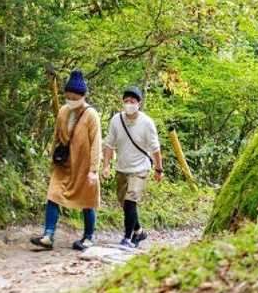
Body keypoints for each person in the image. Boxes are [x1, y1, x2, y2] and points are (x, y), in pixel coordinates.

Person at [30, 70, 102, 251]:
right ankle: (48, 235)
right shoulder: (63, 111)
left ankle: (88, 237)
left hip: (84, 166)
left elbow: (96, 143)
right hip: (64, 163)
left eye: (74, 97)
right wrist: (52, 158)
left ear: (83, 96)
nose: (71, 100)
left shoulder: (91, 115)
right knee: (53, 194)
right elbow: (57, 136)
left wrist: (93, 170)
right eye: (68, 96)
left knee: (87, 200)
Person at [102, 85, 163, 248]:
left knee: (130, 202)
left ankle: (127, 238)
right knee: (125, 204)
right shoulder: (116, 120)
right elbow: (109, 144)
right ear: (122, 102)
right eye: (126, 101)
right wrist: (106, 165)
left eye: (133, 101)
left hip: (140, 169)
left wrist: (159, 169)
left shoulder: (147, 123)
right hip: (122, 168)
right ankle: (139, 232)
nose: (129, 103)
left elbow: (155, 148)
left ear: (139, 103)